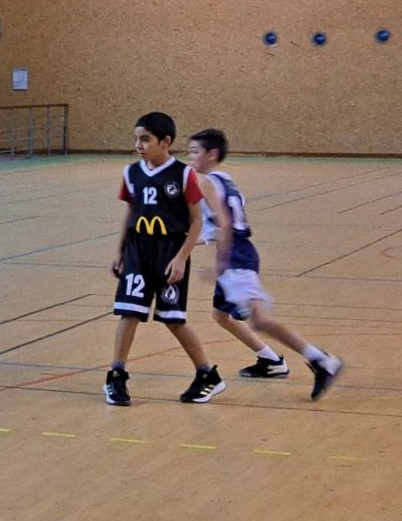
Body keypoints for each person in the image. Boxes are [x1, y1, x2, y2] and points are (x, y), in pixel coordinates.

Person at [188, 128, 343, 400]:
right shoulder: (226, 180)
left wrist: (220, 264)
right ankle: (271, 360)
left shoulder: (203, 181)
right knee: (221, 315)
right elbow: (225, 222)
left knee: (260, 319)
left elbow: (225, 224)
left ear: (211, 154)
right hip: (240, 251)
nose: (190, 158)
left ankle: (321, 360)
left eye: (194, 152)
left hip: (235, 255)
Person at [105, 111, 223, 406]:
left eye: (145, 139)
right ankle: (116, 375)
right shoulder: (131, 173)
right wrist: (120, 251)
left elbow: (196, 222)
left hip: (170, 251)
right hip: (137, 249)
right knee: (129, 312)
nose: (139, 145)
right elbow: (130, 214)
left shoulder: (183, 174)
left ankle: (206, 374)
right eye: (136, 139)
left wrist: (182, 257)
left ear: (165, 142)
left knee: (173, 319)